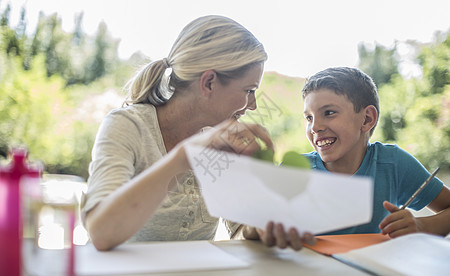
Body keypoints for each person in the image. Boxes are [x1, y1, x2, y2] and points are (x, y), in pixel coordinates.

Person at [81, 15, 315, 251]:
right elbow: (101, 233)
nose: (253, 104)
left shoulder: (225, 140)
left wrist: (258, 226)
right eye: (249, 90)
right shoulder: (128, 126)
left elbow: (239, 230)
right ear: (209, 82)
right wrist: (184, 157)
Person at [300, 66, 450, 238]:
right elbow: (263, 228)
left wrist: (421, 226)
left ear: (367, 119)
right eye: (309, 118)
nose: (315, 127)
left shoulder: (394, 164)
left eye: (329, 113)